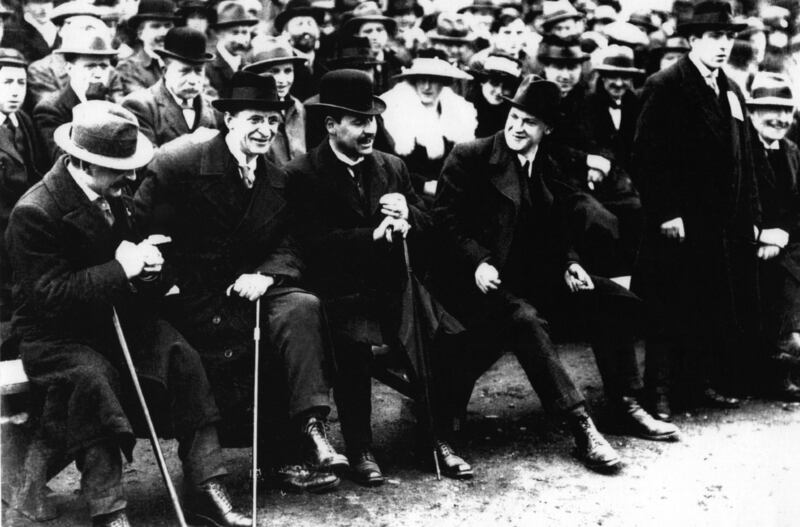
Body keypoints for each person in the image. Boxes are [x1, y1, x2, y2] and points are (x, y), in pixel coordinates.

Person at [5, 100, 250, 527]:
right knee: (94, 381)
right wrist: (122, 269)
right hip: (55, 337)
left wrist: (149, 270)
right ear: (84, 163)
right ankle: (109, 509)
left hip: (116, 319)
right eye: (120, 168)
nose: (132, 177)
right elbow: (50, 296)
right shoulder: (34, 212)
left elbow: (137, 265)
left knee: (180, 355)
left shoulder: (113, 194)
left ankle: (207, 484)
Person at [432, 77, 679, 476]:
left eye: (529, 122)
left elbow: (556, 227)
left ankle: (625, 403)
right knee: (525, 320)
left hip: (533, 279)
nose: (517, 127)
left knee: (608, 298)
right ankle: (581, 426)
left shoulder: (548, 163)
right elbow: (444, 222)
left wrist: (570, 263)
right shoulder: (471, 156)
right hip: (478, 286)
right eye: (514, 117)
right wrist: (478, 262)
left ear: (546, 128)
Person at [134, 72, 346, 493]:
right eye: (254, 120)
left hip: (249, 290)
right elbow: (143, 232)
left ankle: (312, 426)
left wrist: (265, 273)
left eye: (272, 121)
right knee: (241, 349)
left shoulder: (278, 178)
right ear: (229, 120)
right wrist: (170, 279)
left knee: (302, 307)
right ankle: (266, 462)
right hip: (192, 297)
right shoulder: (181, 165)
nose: (265, 130)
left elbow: (290, 240)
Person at [285, 69, 474, 486]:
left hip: (395, 286)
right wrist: (371, 235)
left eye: (372, 120)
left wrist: (408, 217)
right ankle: (360, 448)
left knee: (438, 335)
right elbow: (310, 246)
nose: (369, 130)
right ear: (331, 124)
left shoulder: (392, 166)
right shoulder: (302, 174)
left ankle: (434, 439)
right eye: (358, 121)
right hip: (339, 295)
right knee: (353, 347)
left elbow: (429, 226)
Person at [631, 0, 760, 420]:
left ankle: (697, 382)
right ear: (692, 40)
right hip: (680, 221)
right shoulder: (665, 84)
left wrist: (751, 215)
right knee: (668, 304)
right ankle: (659, 390)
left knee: (709, 301)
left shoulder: (731, 88)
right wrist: (666, 212)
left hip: (720, 221)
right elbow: (646, 156)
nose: (723, 45)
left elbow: (745, 156)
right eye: (714, 37)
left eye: (728, 37)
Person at [747, 75, 800, 400]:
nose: (780, 118)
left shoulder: (791, 151)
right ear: (753, 112)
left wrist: (782, 235)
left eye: (786, 111)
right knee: (784, 270)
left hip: (783, 241)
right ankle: (782, 358)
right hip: (745, 238)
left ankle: (788, 348)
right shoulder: (740, 149)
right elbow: (729, 201)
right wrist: (760, 234)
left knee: (791, 261)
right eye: (771, 109)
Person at [380, 50, 476, 201]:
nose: (426, 86)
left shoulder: (455, 109)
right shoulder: (394, 111)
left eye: (433, 80)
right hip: (408, 191)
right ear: (413, 81)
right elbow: (386, 167)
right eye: (421, 79)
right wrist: (423, 185)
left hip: (445, 187)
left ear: (443, 82)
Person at [0, 48, 44, 323]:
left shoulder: (24, 121)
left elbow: (37, 171)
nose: (16, 91)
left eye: (21, 83)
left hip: (24, 225)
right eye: (7, 82)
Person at [122, 27, 219, 148]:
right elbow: (147, 156)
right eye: (184, 71)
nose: (193, 81)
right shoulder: (140, 106)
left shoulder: (214, 108)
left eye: (198, 71)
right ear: (164, 70)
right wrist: (192, 143)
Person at [34, 30, 117, 162]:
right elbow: (63, 160)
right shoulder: (50, 109)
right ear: (69, 68)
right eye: (90, 66)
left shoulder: (111, 106)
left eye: (104, 66)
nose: (98, 74)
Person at [244, 40, 307, 164]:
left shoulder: (298, 108)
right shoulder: (249, 111)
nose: (282, 80)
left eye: (288, 71)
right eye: (274, 71)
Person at [113, 0, 178, 97]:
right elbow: (144, 103)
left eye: (168, 26)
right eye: (156, 26)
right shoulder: (129, 68)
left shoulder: (182, 62)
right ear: (140, 33)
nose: (164, 32)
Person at [340, 1, 405, 94]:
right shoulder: (350, 66)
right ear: (357, 35)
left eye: (379, 30)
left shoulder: (397, 63)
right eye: (368, 31)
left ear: (387, 34)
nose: (375, 36)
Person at [274, 0, 325, 101]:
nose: (306, 29)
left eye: (310, 24)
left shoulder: (325, 70)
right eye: (299, 24)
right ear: (285, 34)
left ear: (318, 32)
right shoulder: (281, 70)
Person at [206, 1, 258, 99]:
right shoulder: (207, 67)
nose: (241, 40)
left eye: (245, 32)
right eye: (235, 33)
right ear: (219, 34)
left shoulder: (249, 67)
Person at [466, 52, 521, 138]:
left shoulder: (514, 118)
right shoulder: (466, 110)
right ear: (482, 81)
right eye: (494, 83)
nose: (499, 91)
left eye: (507, 86)